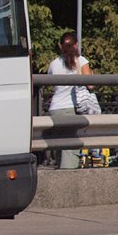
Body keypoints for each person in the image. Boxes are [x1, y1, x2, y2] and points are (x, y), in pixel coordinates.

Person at [46, 31, 94, 170]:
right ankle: (67, 182)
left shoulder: (53, 64)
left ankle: (60, 180)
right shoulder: (81, 61)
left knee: (60, 148)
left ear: (60, 46)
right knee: (71, 149)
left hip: (55, 109)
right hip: (70, 109)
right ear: (76, 45)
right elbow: (90, 84)